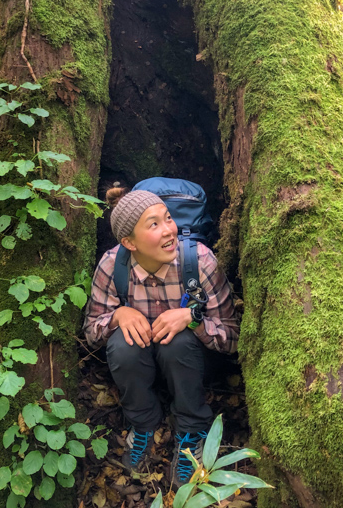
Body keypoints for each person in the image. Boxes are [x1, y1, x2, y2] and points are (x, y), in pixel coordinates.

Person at [83, 186, 239, 488]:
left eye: (168, 218)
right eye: (154, 224)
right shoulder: (113, 267)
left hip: (191, 361)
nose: (170, 230)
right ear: (129, 242)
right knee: (122, 342)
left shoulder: (199, 262)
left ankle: (192, 429)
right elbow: (92, 332)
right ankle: (143, 423)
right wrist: (118, 315)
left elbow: (233, 337)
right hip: (142, 362)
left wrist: (193, 319)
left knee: (178, 342)